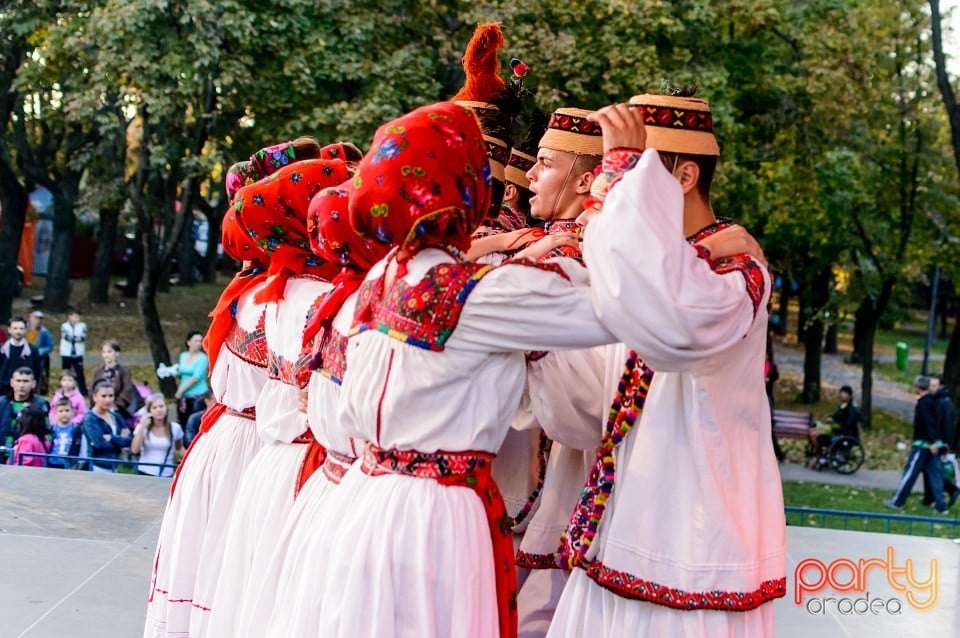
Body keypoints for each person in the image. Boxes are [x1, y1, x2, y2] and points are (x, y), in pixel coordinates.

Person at [262, 101, 621, 638]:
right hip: (435, 519)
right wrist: (600, 217)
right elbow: (618, 308)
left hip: (363, 496)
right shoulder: (476, 296)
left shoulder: (381, 276)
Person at [547, 95, 784, 636]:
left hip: (691, 534)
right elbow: (589, 406)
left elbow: (673, 321)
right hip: (624, 519)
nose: (614, 193)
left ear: (683, 176)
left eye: (634, 172)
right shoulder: (649, 277)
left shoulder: (736, 269)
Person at [188, 157, 350, 635]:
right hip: (300, 461)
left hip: (270, 459)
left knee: (248, 594)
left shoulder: (273, 290)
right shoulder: (319, 298)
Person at [145, 139, 294, 637]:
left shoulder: (261, 290)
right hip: (247, 445)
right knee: (224, 575)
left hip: (243, 442)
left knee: (222, 574)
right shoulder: (270, 293)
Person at [885, 375, 949, 513]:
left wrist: (931, 441)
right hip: (935, 443)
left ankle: (898, 501)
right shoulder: (936, 401)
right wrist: (938, 442)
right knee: (935, 475)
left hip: (923, 444)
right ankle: (941, 506)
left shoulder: (923, 403)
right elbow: (939, 423)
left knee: (910, 472)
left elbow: (928, 423)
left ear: (918, 388)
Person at [0, 367, 50, 462]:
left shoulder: (40, 405)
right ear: (12, 382)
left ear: (33, 384)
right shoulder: (1, 403)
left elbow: (47, 433)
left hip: (27, 459)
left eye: (26, 381)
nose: (21, 385)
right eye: (18, 381)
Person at [82, 379, 132, 473]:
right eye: (103, 396)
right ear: (95, 397)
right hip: (98, 467)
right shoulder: (90, 418)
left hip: (115, 466)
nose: (108, 400)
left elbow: (129, 440)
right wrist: (120, 440)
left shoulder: (116, 416)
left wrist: (111, 438)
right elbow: (100, 444)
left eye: (111, 396)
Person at [808, 384, 862, 467]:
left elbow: (847, 425)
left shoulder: (852, 410)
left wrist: (833, 422)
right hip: (835, 430)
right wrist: (831, 419)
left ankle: (821, 456)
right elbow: (837, 418)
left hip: (842, 434)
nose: (841, 395)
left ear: (849, 395)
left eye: (843, 393)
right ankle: (819, 455)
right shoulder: (843, 406)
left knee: (814, 435)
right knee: (812, 432)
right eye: (841, 392)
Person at [131, 394, 183, 477]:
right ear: (149, 411)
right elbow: (134, 450)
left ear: (166, 408)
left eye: (161, 406)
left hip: (166, 473)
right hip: (145, 472)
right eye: (154, 408)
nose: (159, 410)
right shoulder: (143, 427)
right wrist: (142, 427)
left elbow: (179, 447)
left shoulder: (175, 428)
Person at [91, 339, 137, 422]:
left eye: (109, 352)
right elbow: (92, 390)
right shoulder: (98, 371)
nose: (106, 355)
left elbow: (127, 390)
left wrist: (116, 405)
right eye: (104, 352)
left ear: (116, 353)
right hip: (99, 407)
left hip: (118, 409)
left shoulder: (123, 371)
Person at [173, 331, 209, 427]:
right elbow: (181, 373)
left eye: (200, 341)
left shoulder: (202, 358)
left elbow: (195, 378)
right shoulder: (183, 355)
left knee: (194, 423)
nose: (198, 343)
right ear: (188, 342)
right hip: (184, 396)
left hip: (197, 395)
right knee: (182, 422)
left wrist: (180, 391)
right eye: (196, 340)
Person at [0, 316, 42, 390]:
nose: (18, 331)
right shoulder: (2, 349)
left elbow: (37, 372)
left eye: (21, 328)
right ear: (9, 330)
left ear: (25, 330)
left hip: (25, 390)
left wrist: (35, 389)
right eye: (15, 328)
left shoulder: (32, 350)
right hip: (3, 389)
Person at [59, 308, 88, 396]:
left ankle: (83, 391)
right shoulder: (64, 326)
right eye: (75, 316)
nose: (77, 318)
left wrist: (73, 338)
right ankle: (64, 389)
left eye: (78, 316)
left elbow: (82, 337)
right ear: (70, 317)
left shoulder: (82, 326)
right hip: (66, 353)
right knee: (65, 372)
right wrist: (75, 338)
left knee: (79, 373)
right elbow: (66, 337)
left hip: (77, 354)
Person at [48, 397, 81, 469]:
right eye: (61, 411)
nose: (64, 414)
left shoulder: (76, 429)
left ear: (72, 412)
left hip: (69, 464)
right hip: (52, 462)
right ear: (56, 413)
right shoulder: (52, 429)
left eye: (67, 410)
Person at [25, 310, 54, 394]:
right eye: (36, 318)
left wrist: (39, 352)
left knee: (37, 375)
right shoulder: (23, 329)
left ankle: (35, 392)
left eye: (40, 319)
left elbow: (50, 346)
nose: (38, 320)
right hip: (25, 356)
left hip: (38, 358)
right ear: (30, 318)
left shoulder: (44, 332)